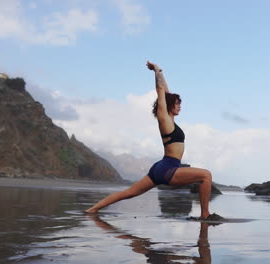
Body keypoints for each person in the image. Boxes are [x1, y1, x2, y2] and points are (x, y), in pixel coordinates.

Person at [85, 61, 220, 220]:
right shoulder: (164, 119)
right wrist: (156, 70)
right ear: (169, 106)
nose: (180, 106)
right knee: (206, 175)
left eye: (180, 104)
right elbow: (161, 91)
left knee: (128, 193)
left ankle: (92, 210)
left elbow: (166, 92)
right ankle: (205, 215)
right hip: (167, 168)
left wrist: (161, 73)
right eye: (177, 104)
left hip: (161, 167)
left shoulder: (170, 120)